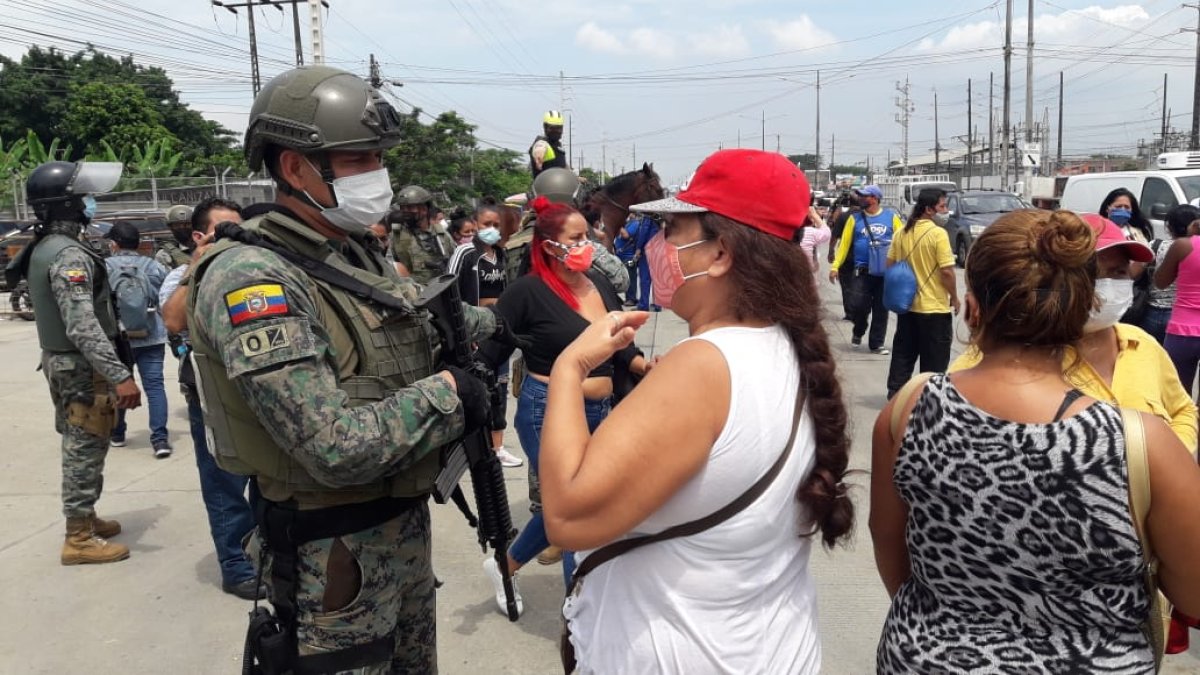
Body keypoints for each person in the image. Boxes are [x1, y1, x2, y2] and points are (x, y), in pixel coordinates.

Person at [185, 65, 511, 673]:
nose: (379, 176)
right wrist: (449, 394)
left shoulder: (351, 251)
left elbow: (425, 322)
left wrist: (527, 322)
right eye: (360, 159)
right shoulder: (255, 278)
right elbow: (332, 445)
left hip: (397, 531)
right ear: (295, 168)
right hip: (331, 552)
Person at [541, 149, 854, 673]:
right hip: (765, 648)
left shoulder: (705, 365)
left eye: (672, 229)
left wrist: (570, 369)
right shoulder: (783, 346)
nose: (661, 245)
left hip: (689, 653)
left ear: (720, 254)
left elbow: (569, 517)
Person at [873, 208, 1200, 672]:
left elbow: (890, 548)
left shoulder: (909, 407)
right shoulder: (1139, 440)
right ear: (1083, 303)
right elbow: (1194, 593)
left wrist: (949, 626)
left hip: (926, 657)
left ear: (973, 304)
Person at [479, 196, 649, 617]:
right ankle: (581, 611)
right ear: (548, 244)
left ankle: (505, 565)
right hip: (547, 410)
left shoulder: (599, 283)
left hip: (601, 410)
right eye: (575, 238)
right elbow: (489, 353)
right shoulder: (526, 292)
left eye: (587, 235)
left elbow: (620, 340)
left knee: (569, 503)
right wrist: (479, 410)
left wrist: (645, 364)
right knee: (578, 504)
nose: (586, 244)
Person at [951, 213, 1197, 450]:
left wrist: (1172, 455)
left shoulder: (1143, 344)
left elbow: (1183, 410)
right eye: (1093, 274)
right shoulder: (991, 365)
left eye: (1119, 272)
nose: (1108, 286)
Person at [5, 159, 139, 565]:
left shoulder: (48, 246)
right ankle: (78, 537)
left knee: (89, 442)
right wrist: (119, 376)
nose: (90, 204)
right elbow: (82, 325)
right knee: (84, 445)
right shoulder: (68, 255)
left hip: (64, 362)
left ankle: (87, 517)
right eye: (83, 197)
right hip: (80, 367)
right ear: (66, 205)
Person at [158, 197, 265, 600]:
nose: (233, 239)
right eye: (223, 231)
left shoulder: (250, 267)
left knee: (265, 478)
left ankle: (264, 553)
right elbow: (173, 320)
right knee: (224, 483)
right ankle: (236, 564)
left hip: (254, 387)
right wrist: (199, 263)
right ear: (199, 236)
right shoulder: (182, 275)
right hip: (211, 395)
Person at [446, 203, 524, 469]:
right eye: (485, 224)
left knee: (499, 388)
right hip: (471, 333)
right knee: (471, 390)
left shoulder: (501, 255)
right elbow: (449, 288)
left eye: (496, 225)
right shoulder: (466, 253)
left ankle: (497, 447)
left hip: (496, 331)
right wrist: (463, 331)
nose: (491, 230)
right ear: (475, 225)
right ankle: (465, 448)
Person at [104, 221, 172, 457]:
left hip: (118, 338)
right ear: (139, 243)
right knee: (155, 386)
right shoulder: (154, 267)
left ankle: (118, 432)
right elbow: (166, 298)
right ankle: (160, 439)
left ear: (113, 244)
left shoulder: (104, 267)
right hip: (151, 335)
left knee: (119, 383)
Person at [884, 189, 960, 399]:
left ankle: (895, 395)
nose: (946, 211)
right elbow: (946, 271)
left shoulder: (902, 233)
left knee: (903, 354)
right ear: (929, 209)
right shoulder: (938, 234)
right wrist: (954, 297)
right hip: (934, 309)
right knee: (934, 361)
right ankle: (929, 399)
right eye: (943, 206)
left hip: (908, 307)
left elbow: (889, 264)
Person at [829, 185, 902, 354]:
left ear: (875, 198)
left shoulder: (891, 218)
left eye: (864, 196)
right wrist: (835, 266)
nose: (860, 198)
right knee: (859, 307)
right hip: (862, 272)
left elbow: (902, 242)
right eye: (860, 196)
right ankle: (859, 330)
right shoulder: (854, 219)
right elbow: (844, 244)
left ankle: (877, 344)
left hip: (884, 273)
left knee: (881, 310)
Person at [1143, 204, 1197, 344]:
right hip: (1185, 316)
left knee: (1153, 359)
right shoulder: (1194, 249)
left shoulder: (1156, 245)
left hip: (1154, 311)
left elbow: (1138, 272)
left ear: (1169, 227)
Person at [391, 184, 455, 284]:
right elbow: (389, 267)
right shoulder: (396, 236)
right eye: (403, 208)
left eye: (410, 207)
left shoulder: (441, 234)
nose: (406, 211)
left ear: (424, 208)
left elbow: (454, 261)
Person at [529, 109, 568, 177]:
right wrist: (540, 149)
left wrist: (575, 177)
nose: (556, 131)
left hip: (561, 186)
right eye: (552, 128)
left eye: (559, 128)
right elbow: (540, 145)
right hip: (542, 186)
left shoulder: (559, 147)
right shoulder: (541, 141)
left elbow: (563, 166)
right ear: (545, 127)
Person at [155, 204, 194, 269]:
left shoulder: (204, 246)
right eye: (177, 225)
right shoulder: (164, 254)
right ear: (171, 227)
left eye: (187, 224)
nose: (182, 227)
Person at [797, 203, 831, 276]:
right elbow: (827, 233)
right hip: (805, 273)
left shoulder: (784, 231)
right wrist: (814, 215)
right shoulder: (809, 232)